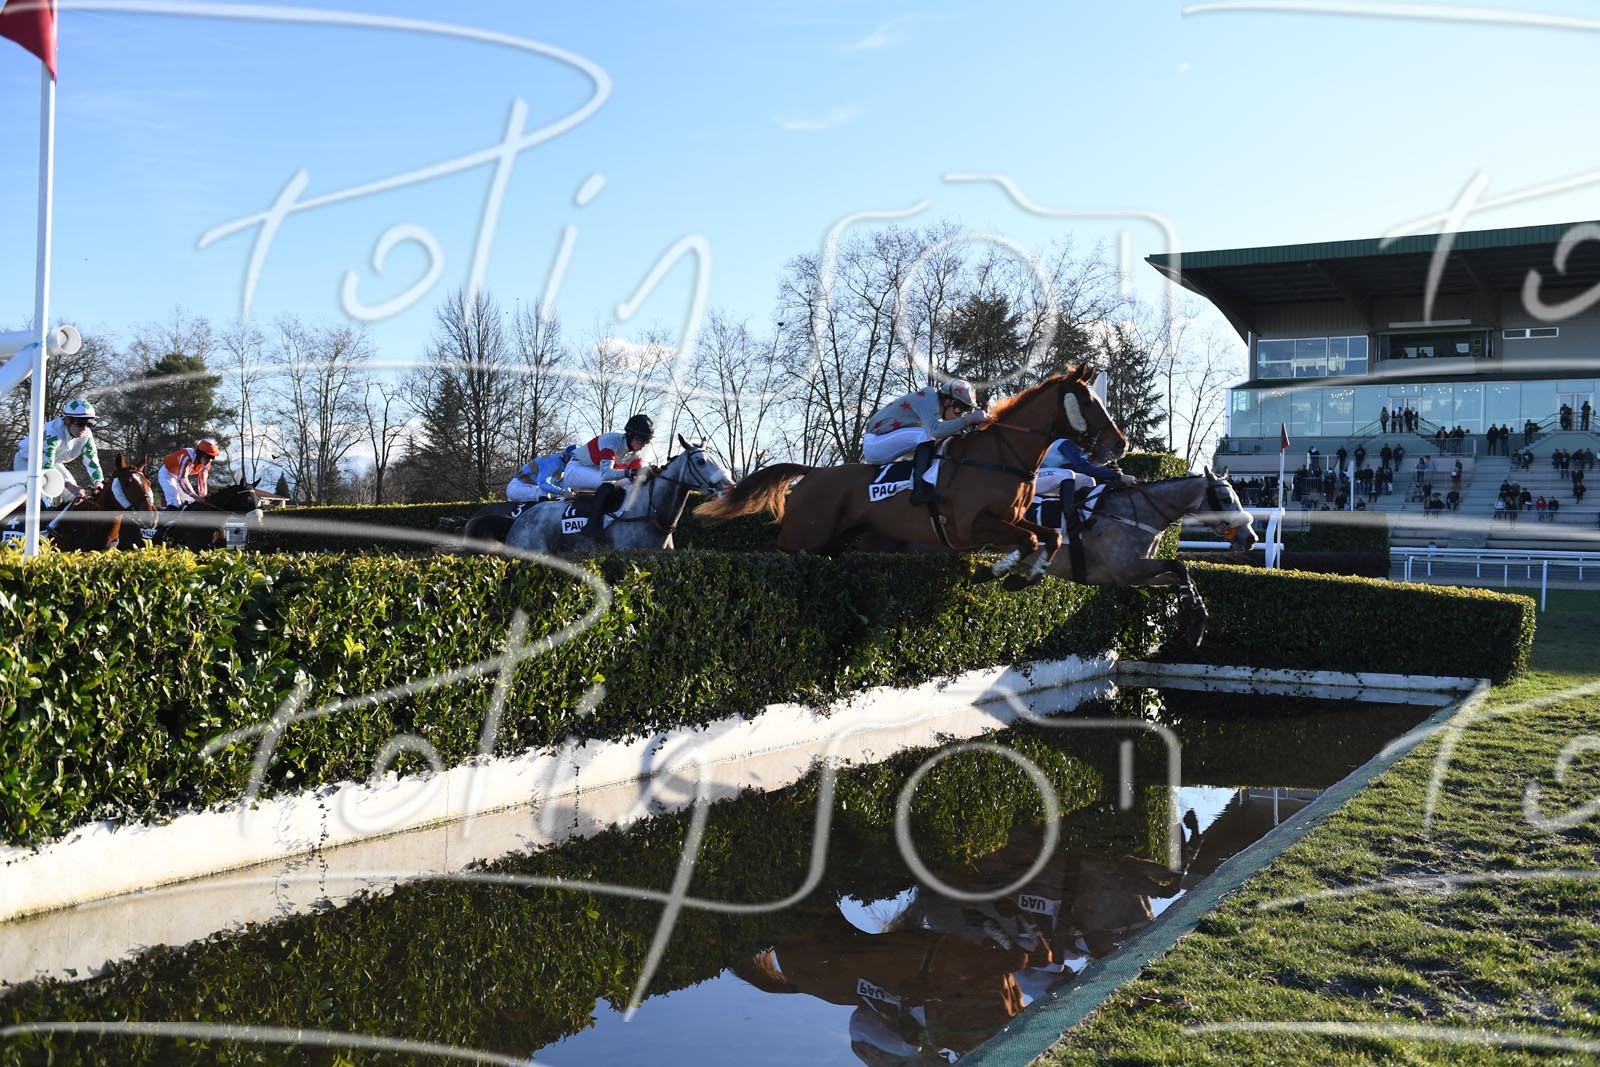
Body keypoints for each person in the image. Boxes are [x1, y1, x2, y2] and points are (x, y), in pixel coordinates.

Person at [862, 379, 988, 505]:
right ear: (947, 402)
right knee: (926, 434)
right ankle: (920, 490)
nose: (959, 416)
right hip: (874, 444)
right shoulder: (928, 397)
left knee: (938, 440)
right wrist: (970, 419)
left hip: (885, 444)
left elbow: (947, 433)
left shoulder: (933, 409)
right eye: (958, 410)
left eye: (964, 412)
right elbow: (936, 431)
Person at [566, 413, 655, 539]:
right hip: (577, 469)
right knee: (610, 483)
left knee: (626, 486)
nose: (642, 446)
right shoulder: (611, 441)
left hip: (596, 472)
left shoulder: (635, 455)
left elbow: (636, 479)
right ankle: (591, 527)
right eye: (640, 441)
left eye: (646, 442)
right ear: (630, 435)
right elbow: (606, 474)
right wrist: (630, 473)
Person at [10, 397, 105, 510]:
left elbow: (92, 461)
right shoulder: (52, 433)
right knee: (43, 496)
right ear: (67, 421)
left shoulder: (86, 435)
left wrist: (98, 482)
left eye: (89, 424)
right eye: (80, 423)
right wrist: (70, 485)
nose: (84, 429)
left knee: (77, 497)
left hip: (52, 462)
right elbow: (47, 469)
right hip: (27, 461)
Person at [1034, 437, 1136, 502]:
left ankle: (1083, 514)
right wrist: (1119, 476)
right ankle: (1070, 518)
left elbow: (1093, 469)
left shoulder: (1083, 452)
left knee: (1088, 481)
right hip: (1033, 478)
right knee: (1067, 474)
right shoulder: (1065, 443)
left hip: (1046, 480)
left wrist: (1120, 477)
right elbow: (1084, 468)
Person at [159, 437, 220, 509]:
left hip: (180, 476)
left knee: (192, 502)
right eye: (207, 457)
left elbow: (202, 481)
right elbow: (182, 479)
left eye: (212, 458)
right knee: (174, 501)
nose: (209, 461)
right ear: (200, 454)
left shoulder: (206, 465)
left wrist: (203, 497)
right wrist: (195, 496)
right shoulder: (186, 456)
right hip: (167, 473)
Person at [506, 444, 578, 503]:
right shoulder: (553, 461)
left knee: (553, 494)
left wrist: (569, 494)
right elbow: (542, 482)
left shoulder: (564, 468)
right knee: (545, 493)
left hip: (530, 488)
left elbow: (564, 488)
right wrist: (562, 492)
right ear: (568, 458)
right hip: (516, 488)